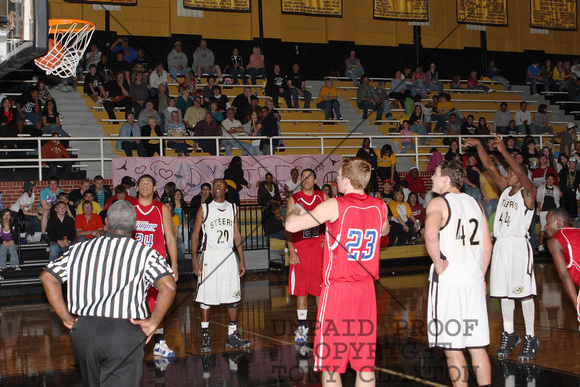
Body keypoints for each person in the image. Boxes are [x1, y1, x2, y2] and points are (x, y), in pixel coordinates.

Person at [40, 200, 176, 387]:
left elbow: (48, 277)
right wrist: (153, 322)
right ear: (135, 225)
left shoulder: (79, 249)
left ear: (106, 223)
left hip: (85, 331)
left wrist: (65, 317)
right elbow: (168, 286)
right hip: (124, 331)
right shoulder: (145, 253)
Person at [285, 157, 389, 387]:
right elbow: (384, 230)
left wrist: (294, 209)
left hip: (339, 291)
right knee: (364, 365)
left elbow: (291, 226)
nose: (336, 179)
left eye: (339, 175)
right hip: (366, 291)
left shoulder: (336, 204)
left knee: (331, 365)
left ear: (348, 180)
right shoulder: (379, 205)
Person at [464, 135, 540, 360]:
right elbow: (488, 165)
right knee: (504, 294)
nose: (508, 173)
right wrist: (479, 145)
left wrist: (504, 152)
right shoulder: (505, 189)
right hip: (501, 247)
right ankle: (509, 334)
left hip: (518, 246)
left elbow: (520, 170)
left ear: (521, 175)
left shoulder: (529, 193)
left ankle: (531, 337)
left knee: (523, 294)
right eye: (508, 171)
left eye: (512, 172)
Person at [425, 159, 492, 387]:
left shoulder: (438, 203)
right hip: (473, 282)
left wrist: (438, 262)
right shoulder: (476, 202)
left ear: (445, 178)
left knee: (452, 348)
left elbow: (431, 235)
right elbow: (487, 246)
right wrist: (481, 275)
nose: (432, 177)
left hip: (450, 283)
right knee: (477, 346)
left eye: (435, 173)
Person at [191, 179, 252, 352]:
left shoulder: (233, 208)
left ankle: (232, 335)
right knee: (206, 298)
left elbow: (237, 235)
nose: (217, 187)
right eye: (215, 185)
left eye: (220, 185)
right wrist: (195, 260)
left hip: (228, 256)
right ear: (212, 190)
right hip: (210, 257)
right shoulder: (204, 208)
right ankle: (205, 335)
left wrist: (242, 259)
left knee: (233, 297)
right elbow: (195, 235)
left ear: (226, 189)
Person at [133, 174, 178, 358]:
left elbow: (170, 237)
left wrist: (174, 264)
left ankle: (159, 343)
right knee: (131, 304)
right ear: (137, 188)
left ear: (154, 189)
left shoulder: (161, 209)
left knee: (158, 305)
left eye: (148, 184)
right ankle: (131, 344)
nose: (144, 186)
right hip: (134, 263)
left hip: (157, 263)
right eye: (141, 183)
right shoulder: (129, 208)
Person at [285, 169, 328, 345]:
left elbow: (332, 220)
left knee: (320, 291)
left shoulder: (322, 196)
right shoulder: (294, 199)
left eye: (309, 177)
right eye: (303, 178)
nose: (305, 180)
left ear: (315, 179)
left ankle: (322, 328)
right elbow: (288, 227)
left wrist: (328, 237)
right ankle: (302, 329)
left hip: (319, 249)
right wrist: (292, 251)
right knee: (302, 291)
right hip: (301, 250)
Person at [545, 208, 580, 326]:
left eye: (547, 222)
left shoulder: (554, 241)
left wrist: (577, 306)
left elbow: (564, 276)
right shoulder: (578, 231)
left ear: (558, 223)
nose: (545, 226)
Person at [537, 173, 561, 252]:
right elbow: (539, 199)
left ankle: (552, 245)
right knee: (543, 228)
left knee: (553, 229)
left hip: (553, 211)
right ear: (546, 180)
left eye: (552, 179)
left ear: (554, 180)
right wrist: (540, 210)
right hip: (544, 210)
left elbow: (558, 198)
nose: (550, 180)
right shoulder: (541, 187)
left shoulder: (555, 189)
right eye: (549, 179)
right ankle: (541, 245)